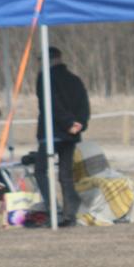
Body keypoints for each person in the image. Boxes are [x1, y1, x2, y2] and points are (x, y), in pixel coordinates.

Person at [26, 46, 90, 227]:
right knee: (66, 174)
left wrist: (68, 123)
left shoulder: (44, 78)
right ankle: (70, 214)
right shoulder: (75, 79)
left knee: (40, 171)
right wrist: (79, 123)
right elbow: (84, 105)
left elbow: (50, 104)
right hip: (71, 134)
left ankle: (54, 210)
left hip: (52, 132)